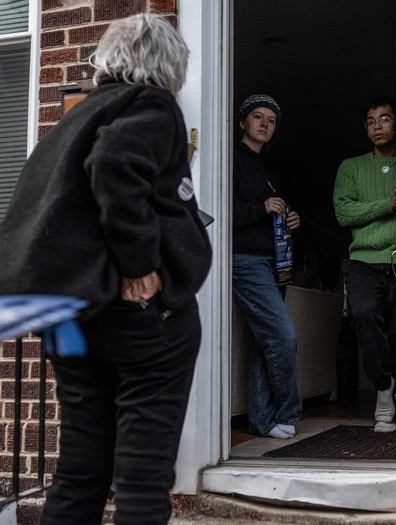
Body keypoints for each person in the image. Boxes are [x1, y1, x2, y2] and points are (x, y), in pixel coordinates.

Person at [0, 14, 212, 525]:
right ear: (169, 66)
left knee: (81, 468)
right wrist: (139, 264)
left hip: (71, 316)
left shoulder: (79, 118)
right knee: (142, 473)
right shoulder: (152, 103)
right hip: (136, 314)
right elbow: (115, 162)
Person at [333, 96, 396, 433]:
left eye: (385, 119)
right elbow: (344, 212)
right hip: (362, 259)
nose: (377, 127)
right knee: (362, 314)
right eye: (371, 122)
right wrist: (387, 205)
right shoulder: (351, 167)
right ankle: (383, 387)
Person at [232, 94, 302, 439]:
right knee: (283, 334)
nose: (264, 124)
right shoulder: (229, 159)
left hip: (275, 261)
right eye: (257, 117)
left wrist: (288, 219)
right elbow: (220, 210)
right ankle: (289, 412)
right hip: (245, 260)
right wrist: (261, 208)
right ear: (243, 122)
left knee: (264, 343)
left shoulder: (268, 171)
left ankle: (262, 419)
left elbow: (270, 211)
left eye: (271, 120)